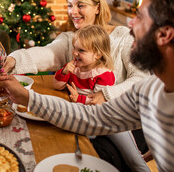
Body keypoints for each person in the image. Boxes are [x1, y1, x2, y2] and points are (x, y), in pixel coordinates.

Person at [0, 0, 174, 171]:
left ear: (165, 34)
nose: (131, 23)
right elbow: (93, 117)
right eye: (70, 5)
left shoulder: (124, 39)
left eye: (140, 17)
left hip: (127, 127)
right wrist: (24, 92)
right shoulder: (148, 92)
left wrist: (104, 95)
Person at [2, 0, 149, 104]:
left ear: (97, 7)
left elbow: (141, 78)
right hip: (78, 111)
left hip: (117, 114)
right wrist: (14, 59)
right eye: (70, 5)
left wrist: (106, 94)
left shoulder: (123, 36)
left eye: (80, 5)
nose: (73, 12)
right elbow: (48, 53)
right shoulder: (70, 38)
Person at [54, 24, 149, 171]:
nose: (75, 53)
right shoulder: (76, 67)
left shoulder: (103, 74)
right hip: (88, 116)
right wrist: (65, 71)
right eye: (74, 48)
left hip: (110, 117)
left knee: (133, 159)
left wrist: (78, 99)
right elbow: (57, 85)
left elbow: (98, 104)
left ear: (98, 54)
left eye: (81, 50)